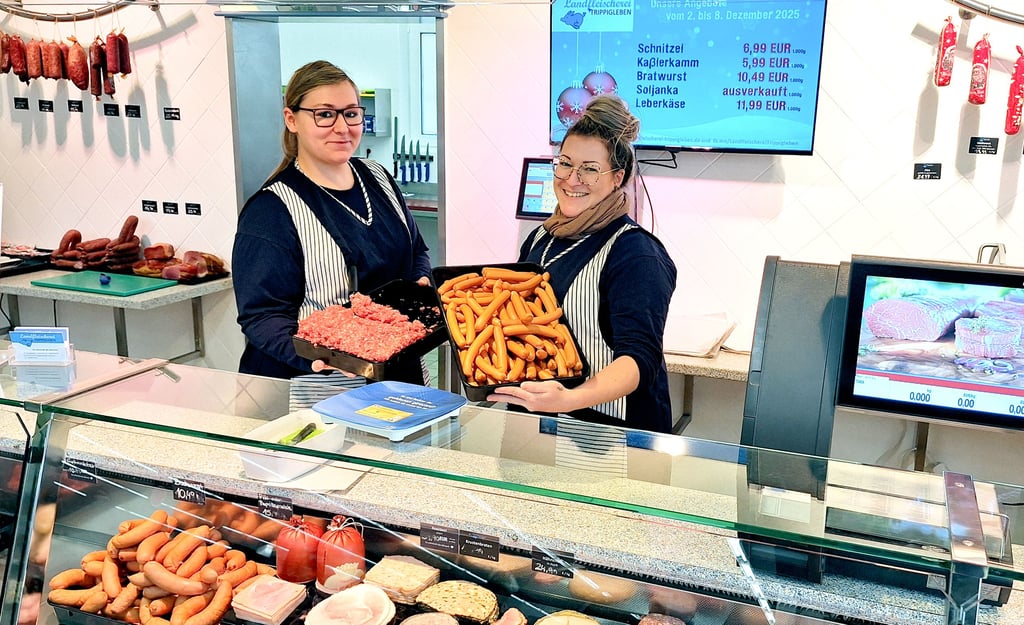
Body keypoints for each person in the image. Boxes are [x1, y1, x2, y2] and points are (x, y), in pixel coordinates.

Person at [232, 60, 432, 388]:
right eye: (325, 114)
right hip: (318, 390)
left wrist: (419, 280)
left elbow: (415, 249)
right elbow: (262, 317)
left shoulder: (378, 177)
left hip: (399, 372)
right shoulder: (271, 211)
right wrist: (326, 356)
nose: (342, 127)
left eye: (351, 113)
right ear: (291, 119)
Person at [489, 94, 677, 433]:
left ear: (617, 177)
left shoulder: (635, 253)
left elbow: (639, 361)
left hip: (609, 435)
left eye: (590, 169)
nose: (572, 179)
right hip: (533, 421)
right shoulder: (540, 238)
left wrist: (568, 399)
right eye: (565, 163)